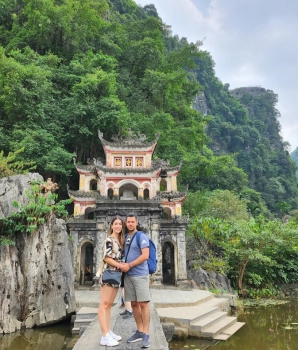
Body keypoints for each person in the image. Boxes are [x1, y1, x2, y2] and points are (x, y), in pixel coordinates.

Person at [121, 213, 151, 348]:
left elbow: (145, 256)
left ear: (137, 223)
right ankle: (139, 330)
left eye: (133, 221)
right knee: (133, 304)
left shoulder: (141, 236)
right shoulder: (126, 237)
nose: (131, 224)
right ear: (126, 224)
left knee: (143, 304)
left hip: (140, 275)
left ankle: (146, 334)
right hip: (128, 276)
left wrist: (129, 265)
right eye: (128, 222)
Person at [98, 216, 125, 347]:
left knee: (109, 305)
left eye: (120, 224)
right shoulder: (109, 239)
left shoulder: (120, 240)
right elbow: (107, 258)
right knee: (104, 304)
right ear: (111, 225)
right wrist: (120, 265)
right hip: (109, 273)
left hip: (116, 275)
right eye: (116, 224)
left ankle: (108, 331)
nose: (118, 226)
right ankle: (104, 336)